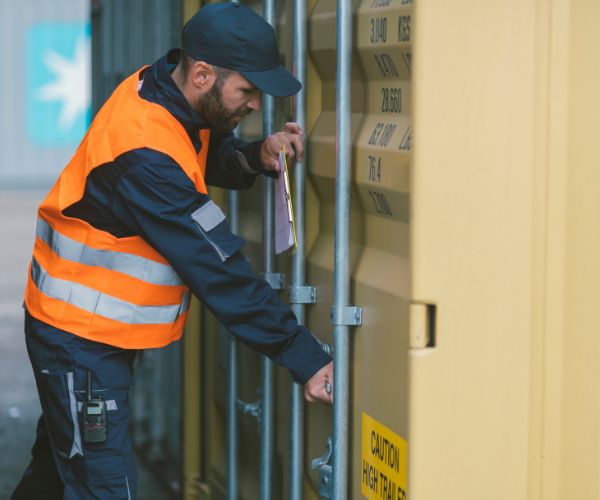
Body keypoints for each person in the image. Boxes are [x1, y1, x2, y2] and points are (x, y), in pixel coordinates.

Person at [11, 3, 333, 499]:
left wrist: (253, 157)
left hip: (92, 332)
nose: (253, 104)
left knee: (57, 477)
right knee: (103, 486)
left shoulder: (164, 91)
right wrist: (304, 356)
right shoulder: (143, 152)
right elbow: (217, 268)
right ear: (203, 74)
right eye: (247, 90)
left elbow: (195, 158)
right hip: (80, 341)